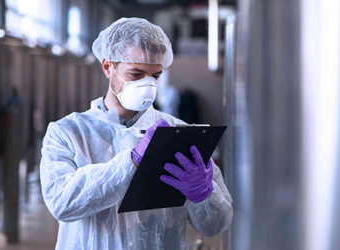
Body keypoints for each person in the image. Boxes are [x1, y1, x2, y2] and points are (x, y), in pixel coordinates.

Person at [40, 17, 233, 250]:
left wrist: (203, 194)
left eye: (155, 76)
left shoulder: (178, 133)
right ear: (108, 67)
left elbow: (215, 226)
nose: (148, 85)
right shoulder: (68, 132)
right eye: (136, 74)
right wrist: (131, 162)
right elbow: (62, 204)